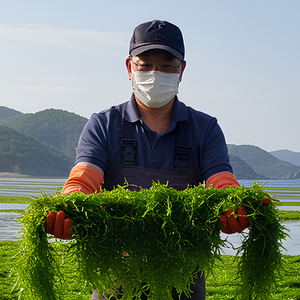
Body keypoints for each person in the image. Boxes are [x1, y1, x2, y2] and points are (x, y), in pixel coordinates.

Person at [46, 20, 249, 300]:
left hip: (184, 279)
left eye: (167, 66)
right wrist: (70, 209)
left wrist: (232, 203)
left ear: (181, 70)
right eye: (145, 65)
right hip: (116, 276)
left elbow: (220, 178)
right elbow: (85, 177)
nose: (156, 74)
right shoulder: (104, 125)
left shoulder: (205, 128)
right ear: (130, 68)